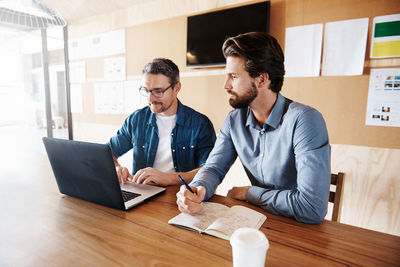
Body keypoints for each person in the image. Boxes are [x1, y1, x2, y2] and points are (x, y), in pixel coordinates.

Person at [176, 32, 331, 224]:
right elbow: (214, 168)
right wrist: (198, 189)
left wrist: (251, 193)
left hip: (299, 228)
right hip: (259, 221)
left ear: (262, 80)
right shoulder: (234, 120)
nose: (226, 85)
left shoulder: (305, 120)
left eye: (233, 76)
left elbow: (312, 207)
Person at [108, 58, 216, 186]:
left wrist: (169, 178)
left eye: (158, 91)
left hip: (182, 198)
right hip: (142, 193)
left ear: (176, 88)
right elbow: (108, 153)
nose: (150, 98)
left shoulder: (200, 124)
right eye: (146, 90)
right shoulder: (136, 119)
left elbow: (209, 171)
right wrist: (116, 169)